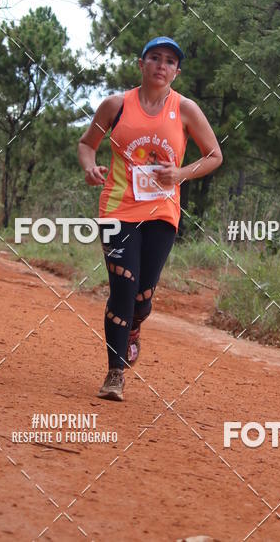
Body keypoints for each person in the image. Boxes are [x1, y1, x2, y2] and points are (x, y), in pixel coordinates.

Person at [77, 36, 223, 401]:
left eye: (170, 61)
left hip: (162, 213)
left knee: (143, 297)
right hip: (117, 207)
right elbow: (86, 144)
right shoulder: (116, 105)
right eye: (154, 58)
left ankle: (135, 327)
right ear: (141, 64)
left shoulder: (185, 109)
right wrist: (90, 166)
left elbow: (214, 155)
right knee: (123, 288)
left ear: (177, 71)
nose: (162, 65)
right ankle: (115, 373)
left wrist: (180, 174)